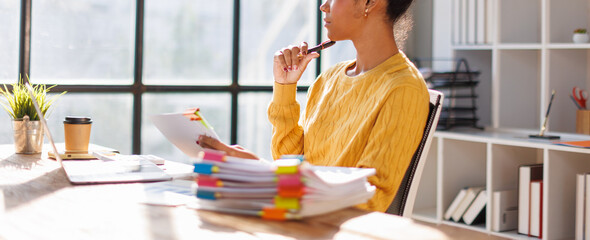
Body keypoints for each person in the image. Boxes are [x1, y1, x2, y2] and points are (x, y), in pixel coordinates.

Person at [199, 0, 429, 213]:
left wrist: (262, 172)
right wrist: (285, 86)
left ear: (370, 2)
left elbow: (371, 199)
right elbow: (289, 160)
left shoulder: (403, 88)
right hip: (300, 219)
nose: (323, 6)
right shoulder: (329, 79)